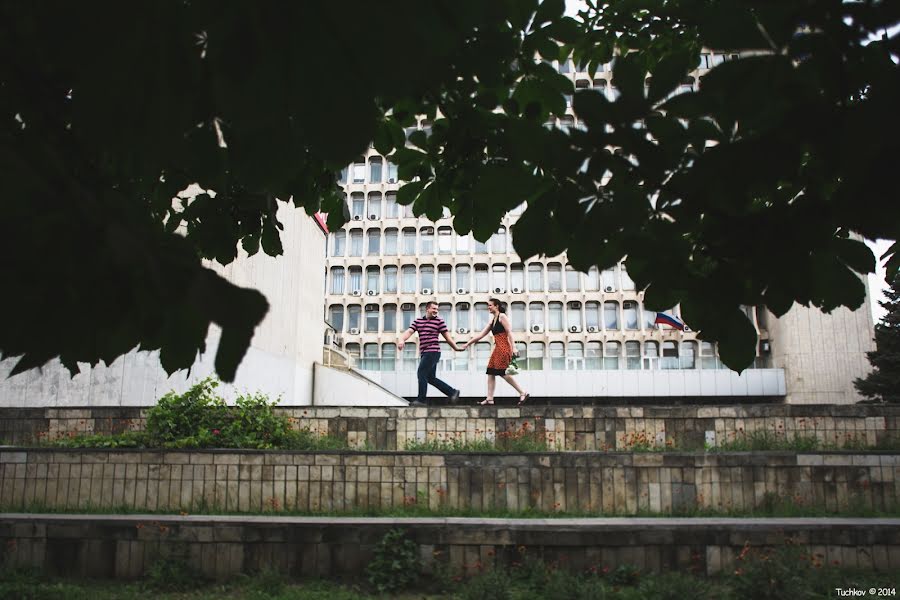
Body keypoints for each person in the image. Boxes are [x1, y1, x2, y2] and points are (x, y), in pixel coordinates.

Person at [397, 301, 464, 406]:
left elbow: (448, 338)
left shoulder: (439, 321)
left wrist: (456, 348)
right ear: (427, 309)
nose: (436, 311)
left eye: (437, 309)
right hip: (424, 352)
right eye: (434, 309)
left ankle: (421, 400)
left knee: (421, 373)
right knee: (430, 378)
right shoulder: (418, 321)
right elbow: (409, 332)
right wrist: (402, 340)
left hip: (433, 351)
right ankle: (452, 392)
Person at [466, 298, 530, 405]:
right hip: (497, 348)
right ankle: (489, 399)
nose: (488, 307)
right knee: (491, 372)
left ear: (497, 306)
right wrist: (468, 344)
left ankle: (522, 392)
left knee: (502, 372)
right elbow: (481, 335)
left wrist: (514, 347)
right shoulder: (493, 320)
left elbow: (509, 332)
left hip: (504, 348)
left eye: (490, 305)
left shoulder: (502, 316)